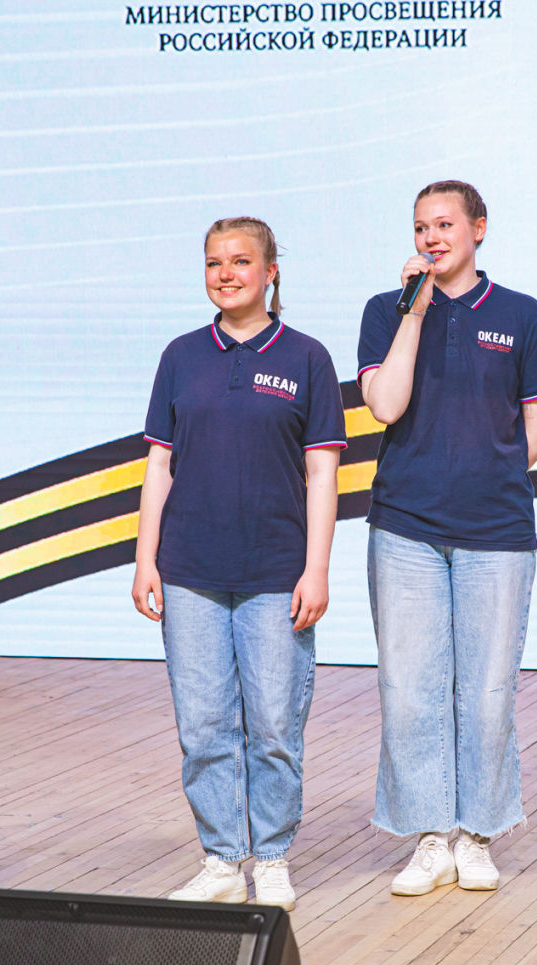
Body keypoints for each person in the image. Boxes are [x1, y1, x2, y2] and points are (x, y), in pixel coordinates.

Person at [356, 180, 537, 895]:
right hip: (405, 528)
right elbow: (386, 405)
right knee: (410, 690)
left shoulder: (521, 314)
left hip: (496, 530)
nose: (432, 237)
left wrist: (487, 472)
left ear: (479, 228)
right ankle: (429, 836)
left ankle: (476, 833)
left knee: (486, 691)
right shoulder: (386, 310)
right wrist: (414, 311)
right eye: (422, 227)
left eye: (445, 224)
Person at [133, 217, 345, 910]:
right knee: (203, 728)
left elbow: (322, 474)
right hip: (189, 569)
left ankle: (273, 857)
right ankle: (223, 858)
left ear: (270, 271)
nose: (226, 274)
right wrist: (145, 558)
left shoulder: (307, 357)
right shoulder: (181, 355)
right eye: (214, 262)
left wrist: (316, 568)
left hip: (277, 572)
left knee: (275, 726)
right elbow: (158, 465)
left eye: (241, 261)